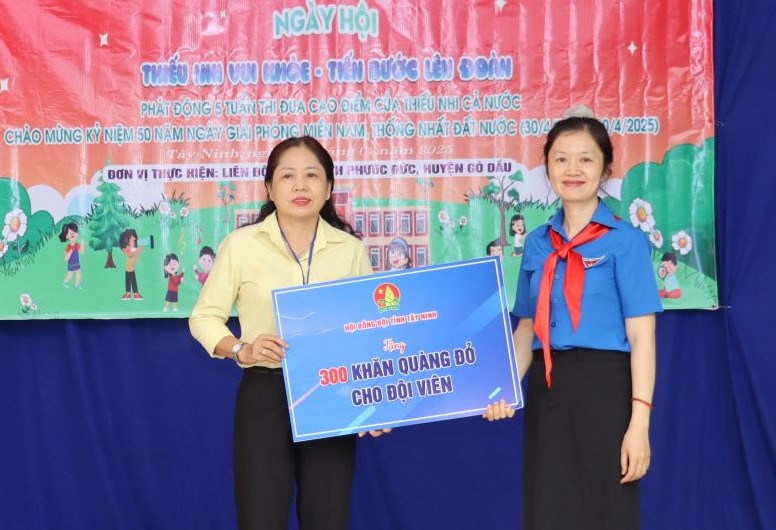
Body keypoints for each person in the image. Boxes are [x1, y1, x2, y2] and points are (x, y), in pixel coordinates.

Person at [189, 136, 388, 530]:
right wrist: (242, 349)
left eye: (312, 176)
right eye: (287, 176)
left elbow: (368, 331)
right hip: (266, 392)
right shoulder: (241, 245)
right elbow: (204, 318)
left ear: (328, 188)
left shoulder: (350, 250)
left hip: (332, 393)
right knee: (260, 518)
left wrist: (375, 398)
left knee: (327, 518)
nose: (300, 186)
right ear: (269, 188)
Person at [485, 114, 661, 530]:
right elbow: (526, 328)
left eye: (586, 159)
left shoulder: (626, 241)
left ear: (605, 168)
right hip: (549, 388)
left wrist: (639, 423)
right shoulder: (537, 242)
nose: (572, 170)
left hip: (607, 389)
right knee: (549, 508)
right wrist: (502, 389)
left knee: (606, 510)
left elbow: (643, 338)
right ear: (547, 167)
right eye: (561, 159)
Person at [119, 228, 145, 300]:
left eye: (134, 240)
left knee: (133, 281)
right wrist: (137, 251)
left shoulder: (133, 249)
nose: (134, 242)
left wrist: (138, 251)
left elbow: (135, 259)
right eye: (132, 240)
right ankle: (128, 293)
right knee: (128, 281)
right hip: (128, 269)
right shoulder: (126, 249)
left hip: (131, 269)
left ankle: (135, 293)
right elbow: (130, 255)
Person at [59, 221, 84, 288]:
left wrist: (82, 244)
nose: (74, 235)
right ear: (67, 236)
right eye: (71, 234)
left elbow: (81, 252)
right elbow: (66, 258)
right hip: (71, 264)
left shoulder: (77, 245)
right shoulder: (68, 247)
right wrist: (71, 251)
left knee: (79, 274)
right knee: (70, 274)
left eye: (75, 233)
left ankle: (77, 285)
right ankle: (65, 282)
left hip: (77, 263)